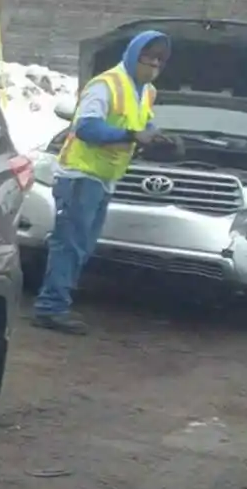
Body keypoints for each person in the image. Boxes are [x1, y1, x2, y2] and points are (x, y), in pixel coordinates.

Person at [32, 29, 178, 335]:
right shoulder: (105, 85)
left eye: (159, 60)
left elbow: (143, 122)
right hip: (81, 174)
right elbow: (86, 128)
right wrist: (131, 136)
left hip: (105, 178)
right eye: (148, 57)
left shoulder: (146, 91)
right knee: (69, 244)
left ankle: (59, 298)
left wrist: (156, 137)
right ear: (133, 54)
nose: (153, 64)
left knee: (82, 244)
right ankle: (50, 307)